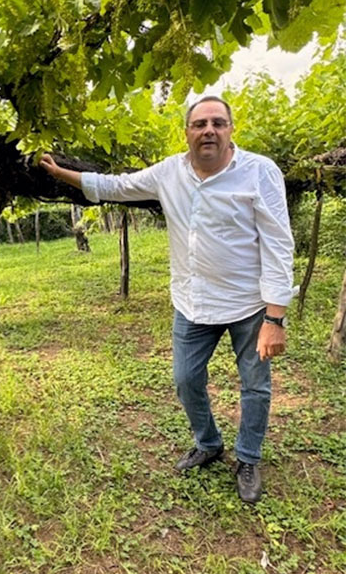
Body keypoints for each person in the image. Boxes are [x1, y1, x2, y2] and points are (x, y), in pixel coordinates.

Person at [39, 96, 297, 504]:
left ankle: (248, 458)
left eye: (217, 122)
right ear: (188, 133)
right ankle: (209, 443)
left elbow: (279, 244)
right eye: (199, 124)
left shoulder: (259, 172)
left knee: (255, 385)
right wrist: (60, 173)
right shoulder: (169, 173)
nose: (208, 130)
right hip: (193, 303)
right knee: (185, 379)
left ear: (231, 129)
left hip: (249, 304)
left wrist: (275, 318)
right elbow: (116, 187)